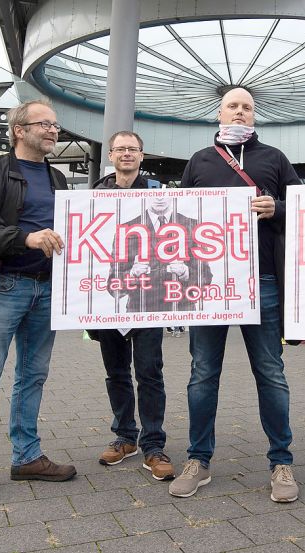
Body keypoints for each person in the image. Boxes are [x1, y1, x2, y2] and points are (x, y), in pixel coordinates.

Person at [168, 87, 301, 503]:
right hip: (208, 285)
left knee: (271, 373)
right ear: (219, 112)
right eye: (233, 106)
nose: (240, 112)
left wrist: (276, 208)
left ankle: (281, 462)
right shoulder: (199, 161)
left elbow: (303, 205)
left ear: (255, 115)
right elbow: (178, 220)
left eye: (247, 107)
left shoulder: (274, 158)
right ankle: (198, 459)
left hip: (261, 282)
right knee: (203, 373)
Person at [0, 99, 74, 505]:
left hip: (46, 289)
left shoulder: (58, 178)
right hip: (3, 286)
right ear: (19, 130)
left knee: (33, 376)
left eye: (55, 125)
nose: (53, 130)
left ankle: (27, 457)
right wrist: (26, 238)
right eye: (44, 124)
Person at [89, 131, 203, 481]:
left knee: (150, 373)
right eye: (120, 149)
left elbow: (181, 247)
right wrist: (124, 272)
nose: (126, 154)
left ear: (142, 156)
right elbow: (99, 263)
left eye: (132, 150)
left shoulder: (159, 196)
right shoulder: (96, 197)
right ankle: (125, 436)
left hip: (152, 303)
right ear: (110, 155)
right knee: (116, 372)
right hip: (113, 306)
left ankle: (154, 444)